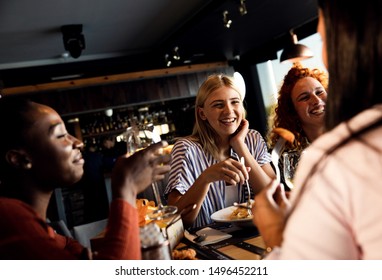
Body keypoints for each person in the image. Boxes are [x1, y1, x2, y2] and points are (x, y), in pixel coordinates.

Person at [253, 0, 382, 259]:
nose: (316, 101)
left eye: (323, 40)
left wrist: (274, 232)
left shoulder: (335, 159)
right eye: (304, 98)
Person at [0, 97, 171, 259]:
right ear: (20, 159)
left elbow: (61, 242)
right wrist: (126, 189)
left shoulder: (36, 225)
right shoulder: (8, 218)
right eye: (60, 135)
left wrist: (76, 252)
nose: (78, 142)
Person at [165, 74, 275, 229]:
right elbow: (175, 222)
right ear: (202, 113)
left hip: (254, 235)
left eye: (235, 102)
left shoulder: (252, 139)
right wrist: (205, 178)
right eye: (218, 105)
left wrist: (239, 146)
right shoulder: (186, 149)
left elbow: (274, 197)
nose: (229, 111)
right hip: (207, 243)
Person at [267, 63, 328, 188]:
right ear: (292, 111)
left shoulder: (354, 135)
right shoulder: (285, 159)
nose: (316, 101)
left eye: (319, 92)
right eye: (305, 97)